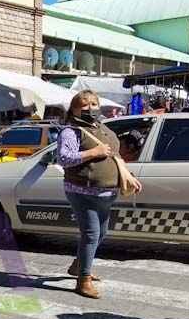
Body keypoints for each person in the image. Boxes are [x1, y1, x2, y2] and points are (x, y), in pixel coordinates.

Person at [56, 89, 142, 299]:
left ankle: (78, 265)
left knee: (101, 233)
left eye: (93, 104)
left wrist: (128, 176)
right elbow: (64, 158)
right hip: (83, 192)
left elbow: (115, 157)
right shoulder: (71, 131)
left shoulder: (102, 128)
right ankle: (83, 281)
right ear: (74, 110)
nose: (90, 108)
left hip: (106, 193)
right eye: (84, 105)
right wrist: (93, 152)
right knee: (91, 234)